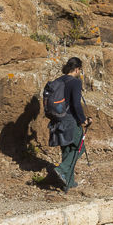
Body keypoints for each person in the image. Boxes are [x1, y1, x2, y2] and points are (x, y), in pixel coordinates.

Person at [44, 56, 91, 191]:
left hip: (57, 120)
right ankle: (62, 169)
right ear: (77, 69)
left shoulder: (58, 80)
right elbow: (76, 104)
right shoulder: (75, 82)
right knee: (78, 148)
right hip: (70, 120)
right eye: (80, 70)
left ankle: (68, 183)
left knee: (67, 149)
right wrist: (83, 120)